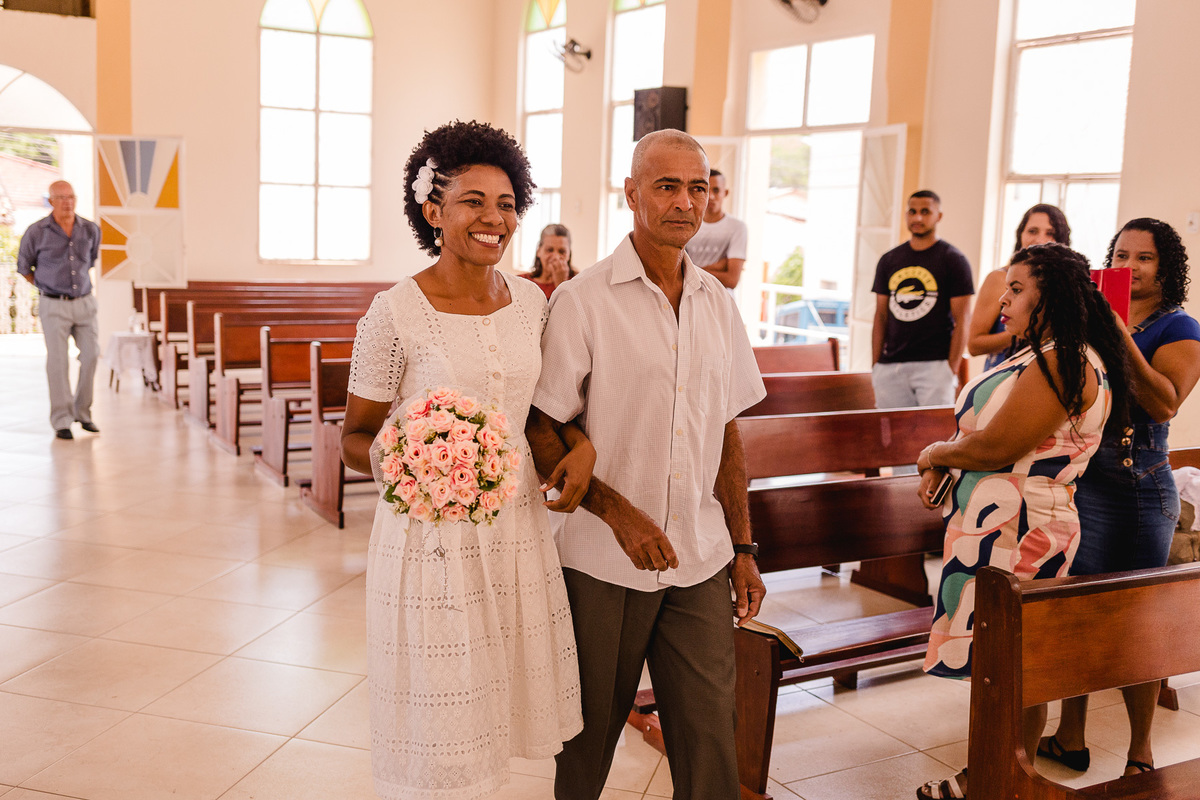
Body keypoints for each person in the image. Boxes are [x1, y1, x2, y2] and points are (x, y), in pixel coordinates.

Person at [339, 120, 593, 800]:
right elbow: (354, 436)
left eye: (507, 203)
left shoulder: (533, 303)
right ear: (433, 212)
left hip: (515, 532)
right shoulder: (394, 314)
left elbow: (548, 411)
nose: (495, 218)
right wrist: (412, 463)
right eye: (474, 202)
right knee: (446, 717)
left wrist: (583, 445)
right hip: (432, 541)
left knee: (500, 710)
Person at [528, 129, 767, 800]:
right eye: (666, 186)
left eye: (698, 187)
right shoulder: (583, 301)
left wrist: (743, 546)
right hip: (604, 562)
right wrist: (617, 514)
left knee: (712, 739)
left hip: (700, 554)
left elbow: (727, 433)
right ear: (630, 193)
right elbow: (543, 429)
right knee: (587, 745)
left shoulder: (718, 305)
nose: (685, 202)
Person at [913, 243, 1131, 800]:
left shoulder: (1063, 358)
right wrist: (954, 460)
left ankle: (992, 779)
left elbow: (1001, 444)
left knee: (1009, 669)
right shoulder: (1042, 351)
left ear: (1050, 294)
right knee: (1006, 665)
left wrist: (937, 453)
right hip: (997, 522)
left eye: (1015, 288)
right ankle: (995, 774)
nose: (1002, 298)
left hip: (1019, 530)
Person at [1038, 218, 1200, 779]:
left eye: (1145, 258)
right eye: (1121, 254)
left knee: (1136, 625)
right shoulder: (1089, 316)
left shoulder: (1180, 329)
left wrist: (1117, 332)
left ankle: (1140, 755)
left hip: (1136, 487)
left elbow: (1165, 403)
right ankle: (1070, 737)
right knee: (1074, 617)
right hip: (1080, 480)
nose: (1130, 266)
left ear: (1167, 268)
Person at [871, 190, 974, 409]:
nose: (917, 217)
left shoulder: (954, 260)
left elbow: (963, 319)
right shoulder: (889, 260)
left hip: (935, 366)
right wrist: (876, 366)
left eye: (925, 212)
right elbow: (880, 315)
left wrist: (950, 370)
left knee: (934, 438)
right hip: (891, 367)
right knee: (891, 439)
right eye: (912, 211)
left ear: (939, 216)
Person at [17, 180, 102, 440]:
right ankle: (62, 420)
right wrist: (47, 287)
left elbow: (92, 260)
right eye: (61, 197)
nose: (67, 201)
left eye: (71, 196)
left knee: (91, 355)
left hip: (85, 302)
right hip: (53, 304)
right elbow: (24, 268)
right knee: (57, 362)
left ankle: (83, 413)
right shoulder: (36, 231)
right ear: (51, 201)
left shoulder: (90, 229)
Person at [968, 204, 1071, 370]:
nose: (1040, 239)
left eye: (1050, 233)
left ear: (1062, 240)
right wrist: (1026, 330)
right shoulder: (999, 279)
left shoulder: (1068, 285)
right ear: (1020, 235)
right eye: (1032, 231)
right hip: (1002, 377)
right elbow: (974, 345)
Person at [683, 168, 748, 294]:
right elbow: (676, 272)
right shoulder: (685, 223)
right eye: (705, 190)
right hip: (688, 298)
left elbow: (732, 280)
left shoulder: (737, 227)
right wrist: (719, 265)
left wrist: (692, 270)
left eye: (716, 190)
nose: (711, 196)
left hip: (722, 301)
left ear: (726, 192)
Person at [520, 223, 576, 299]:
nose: (555, 257)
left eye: (562, 251)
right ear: (539, 251)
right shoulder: (521, 282)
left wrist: (561, 284)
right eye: (549, 250)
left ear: (569, 254)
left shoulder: (576, 283)